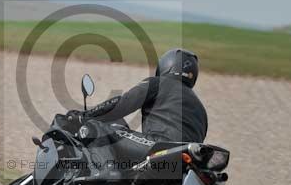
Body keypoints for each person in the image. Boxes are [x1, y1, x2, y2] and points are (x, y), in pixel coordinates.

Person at [70, 48, 208, 177]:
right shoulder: (201, 109)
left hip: (160, 147)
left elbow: (120, 106)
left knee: (94, 127)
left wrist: (86, 115)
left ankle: (108, 173)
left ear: (167, 65)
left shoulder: (159, 83)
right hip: (184, 163)